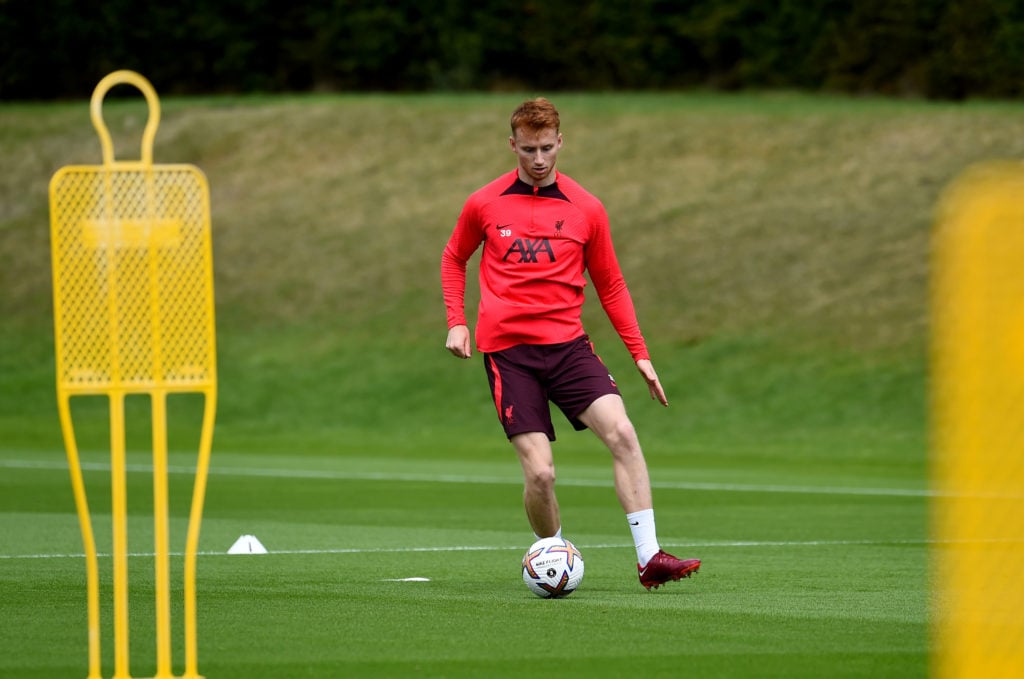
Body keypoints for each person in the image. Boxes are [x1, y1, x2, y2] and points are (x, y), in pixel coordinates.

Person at [440, 97, 700, 590]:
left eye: (546, 148)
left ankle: (650, 559)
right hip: (509, 355)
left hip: (568, 348)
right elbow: (454, 258)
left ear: (561, 143)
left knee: (623, 434)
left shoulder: (587, 208)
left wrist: (640, 354)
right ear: (512, 145)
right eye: (527, 150)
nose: (537, 160)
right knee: (541, 476)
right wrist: (457, 321)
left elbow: (612, 284)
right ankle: (553, 556)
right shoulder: (484, 203)